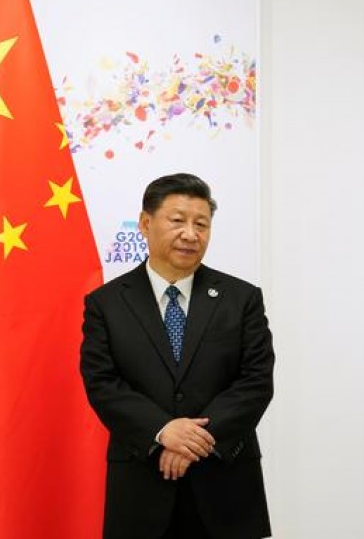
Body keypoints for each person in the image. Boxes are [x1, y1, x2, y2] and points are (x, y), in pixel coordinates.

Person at [80, 173, 274, 539]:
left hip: (226, 486)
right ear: (145, 223)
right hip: (142, 484)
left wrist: (195, 440)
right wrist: (161, 430)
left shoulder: (241, 299)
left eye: (201, 224)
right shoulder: (106, 304)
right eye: (178, 220)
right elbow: (103, 383)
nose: (190, 234)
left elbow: (256, 381)